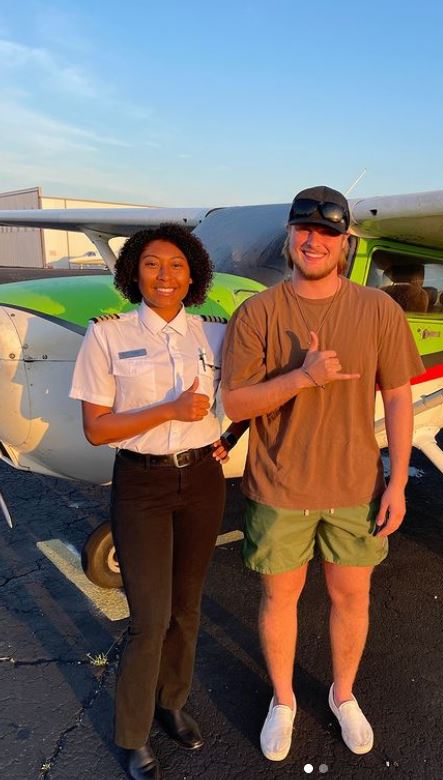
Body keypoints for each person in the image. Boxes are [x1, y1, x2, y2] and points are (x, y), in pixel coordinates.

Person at [221, 186, 423, 761]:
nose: (315, 240)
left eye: (328, 232)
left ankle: (343, 695)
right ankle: (283, 701)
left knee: (351, 597)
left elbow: (401, 398)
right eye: (304, 228)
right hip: (279, 486)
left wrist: (400, 482)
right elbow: (235, 405)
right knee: (279, 599)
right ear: (289, 235)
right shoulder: (257, 313)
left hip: (357, 486)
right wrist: (302, 379)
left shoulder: (379, 310)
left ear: (346, 242)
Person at [70, 224, 246, 780]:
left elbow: (241, 393)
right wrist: (167, 411)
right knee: (149, 618)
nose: (164, 274)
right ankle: (132, 734)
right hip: (141, 485)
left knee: (187, 607)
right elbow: (97, 429)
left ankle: (172, 703)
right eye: (151, 264)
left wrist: (230, 436)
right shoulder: (107, 335)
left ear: (192, 274)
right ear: (133, 274)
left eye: (175, 264)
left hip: (201, 480)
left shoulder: (215, 335)